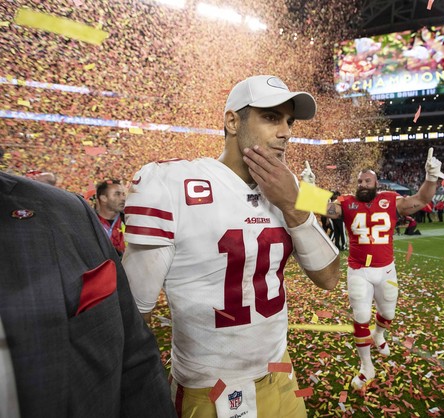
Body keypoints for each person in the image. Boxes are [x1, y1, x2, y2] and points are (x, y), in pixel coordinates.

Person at [122, 75, 340, 418]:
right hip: (213, 389)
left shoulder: (289, 186)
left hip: (281, 370)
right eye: (271, 117)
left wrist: (294, 205)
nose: (285, 131)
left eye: (288, 121)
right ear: (232, 121)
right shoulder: (171, 184)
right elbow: (132, 318)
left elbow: (329, 278)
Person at [0, 171, 176, 418]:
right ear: (101, 199)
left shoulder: (79, 214)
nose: (123, 198)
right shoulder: (72, 218)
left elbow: (136, 357)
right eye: (117, 194)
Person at [326, 148, 444, 390]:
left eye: (367, 180)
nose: (362, 184)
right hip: (358, 269)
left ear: (376, 183)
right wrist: (305, 189)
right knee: (361, 315)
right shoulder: (347, 203)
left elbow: (422, 199)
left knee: (388, 313)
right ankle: (366, 366)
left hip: (386, 270)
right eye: (359, 181)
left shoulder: (390, 200)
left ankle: (379, 334)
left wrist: (431, 178)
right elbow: (325, 209)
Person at [95, 179, 126, 255]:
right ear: (103, 198)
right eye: (117, 194)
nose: (123, 198)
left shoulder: (129, 220)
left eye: (123, 194)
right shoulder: (90, 223)